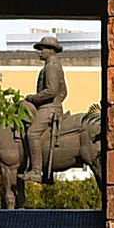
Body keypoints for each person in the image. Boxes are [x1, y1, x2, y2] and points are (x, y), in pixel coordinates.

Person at [24, 35, 68, 182]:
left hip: (48, 109)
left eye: (42, 49)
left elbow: (51, 91)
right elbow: (64, 92)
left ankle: (36, 171)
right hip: (52, 107)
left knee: (32, 134)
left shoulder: (51, 67)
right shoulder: (55, 65)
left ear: (50, 50)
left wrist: (32, 98)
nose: (40, 52)